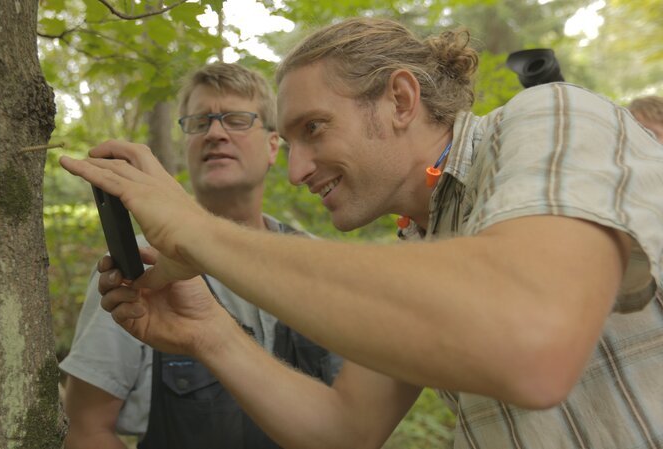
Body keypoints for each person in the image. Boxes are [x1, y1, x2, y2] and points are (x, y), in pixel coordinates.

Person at [61, 17, 663, 449]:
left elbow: (534, 345)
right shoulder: (421, 246)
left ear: (400, 99)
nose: (295, 171)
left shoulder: (552, 113)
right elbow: (343, 429)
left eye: (315, 128)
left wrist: (197, 232)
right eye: (290, 143)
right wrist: (209, 335)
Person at [59, 62, 341, 449]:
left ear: (273, 146)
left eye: (237, 120)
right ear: (185, 145)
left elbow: (354, 423)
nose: (215, 133)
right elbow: (86, 429)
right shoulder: (139, 265)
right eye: (199, 122)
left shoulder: (321, 267)